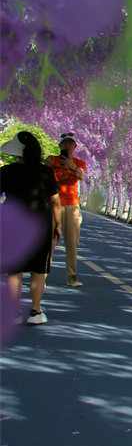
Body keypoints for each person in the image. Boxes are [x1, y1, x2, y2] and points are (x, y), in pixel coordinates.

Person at [0, 131, 62, 324]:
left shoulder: (5, 171)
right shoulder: (45, 172)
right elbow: (55, 201)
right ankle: (35, 311)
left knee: (14, 270)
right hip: (40, 224)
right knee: (38, 269)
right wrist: (57, 225)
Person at [45, 131, 87, 287]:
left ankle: (72, 276)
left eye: (70, 143)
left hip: (71, 205)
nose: (67, 146)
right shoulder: (51, 160)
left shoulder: (79, 162)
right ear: (60, 145)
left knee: (72, 242)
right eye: (64, 143)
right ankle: (43, 273)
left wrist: (73, 167)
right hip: (53, 204)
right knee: (49, 240)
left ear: (75, 146)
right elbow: (42, 177)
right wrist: (45, 167)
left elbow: (81, 176)